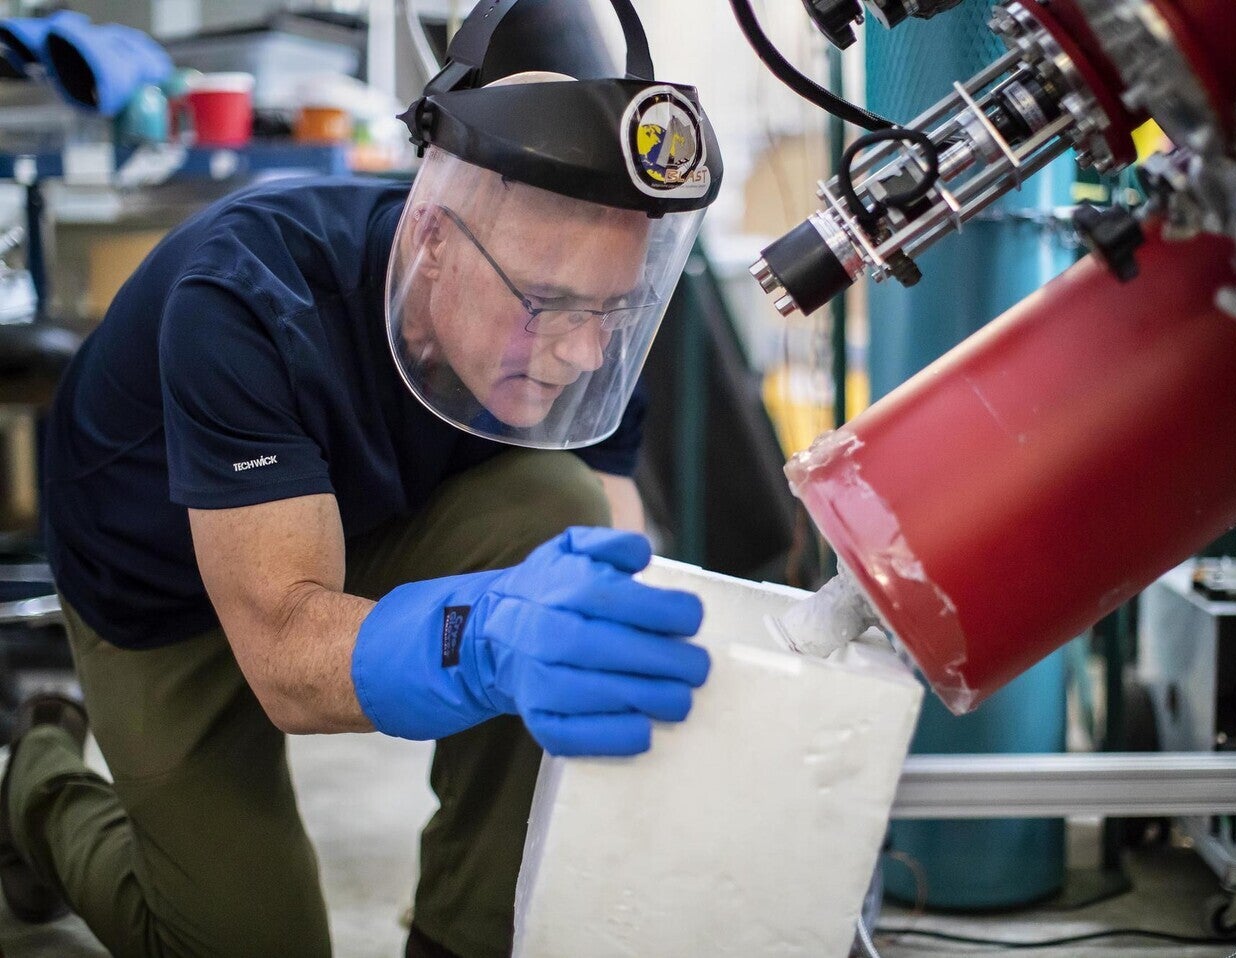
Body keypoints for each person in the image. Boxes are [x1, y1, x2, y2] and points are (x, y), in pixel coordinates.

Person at [0, 0, 723, 954]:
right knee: (242, 942)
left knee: (561, 523)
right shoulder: (251, 296)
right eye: (545, 305)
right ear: (434, 239)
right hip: (161, 584)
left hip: (368, 521)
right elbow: (288, 659)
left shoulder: (589, 333)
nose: (582, 355)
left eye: (611, 310)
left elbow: (611, 551)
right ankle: (37, 783)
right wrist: (488, 634)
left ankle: (466, 930)